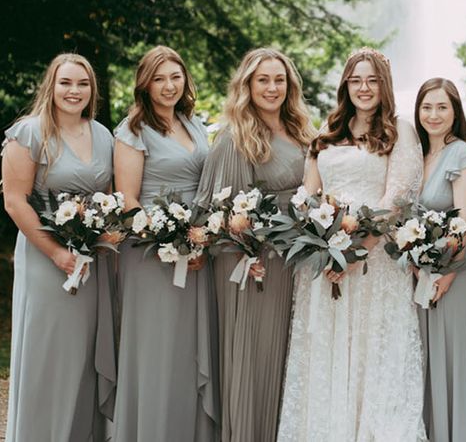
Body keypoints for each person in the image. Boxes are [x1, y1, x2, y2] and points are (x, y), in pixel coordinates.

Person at [277, 48, 426, 442]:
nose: (364, 87)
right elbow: (308, 196)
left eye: (372, 80)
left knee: (371, 358)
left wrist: (356, 251)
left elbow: (397, 200)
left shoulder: (400, 131)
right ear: (346, 84)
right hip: (325, 265)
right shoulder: (327, 132)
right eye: (356, 79)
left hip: (373, 264)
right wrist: (320, 240)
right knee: (326, 356)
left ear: (384, 85)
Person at [194, 48, 315, 442]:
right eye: (262, 80)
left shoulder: (301, 132)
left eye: (279, 80)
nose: (272, 87)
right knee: (256, 362)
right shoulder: (235, 139)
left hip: (297, 264)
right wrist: (247, 253)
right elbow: (224, 214)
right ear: (247, 85)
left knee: (289, 366)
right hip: (254, 269)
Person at [2, 53, 115, 441]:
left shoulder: (102, 135)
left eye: (82, 84)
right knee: (47, 355)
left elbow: (110, 197)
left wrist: (105, 235)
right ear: (51, 86)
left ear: (91, 90)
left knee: (83, 357)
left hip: (90, 261)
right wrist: (56, 253)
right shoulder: (29, 132)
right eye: (66, 83)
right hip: (45, 259)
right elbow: (15, 201)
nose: (74, 91)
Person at [111, 45, 218, 442]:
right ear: (145, 84)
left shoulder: (194, 125)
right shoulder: (132, 131)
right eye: (159, 78)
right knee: (157, 350)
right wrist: (170, 242)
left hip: (197, 250)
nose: (169, 86)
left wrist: (201, 238)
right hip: (151, 255)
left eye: (175, 76)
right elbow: (128, 201)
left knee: (189, 350)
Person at [414, 77, 466, 442]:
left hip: (455, 274)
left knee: (455, 363)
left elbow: (464, 219)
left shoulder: (461, 153)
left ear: (455, 112)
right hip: (424, 274)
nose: (433, 114)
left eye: (442, 107)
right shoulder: (417, 155)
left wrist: (446, 270)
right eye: (427, 107)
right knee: (427, 364)